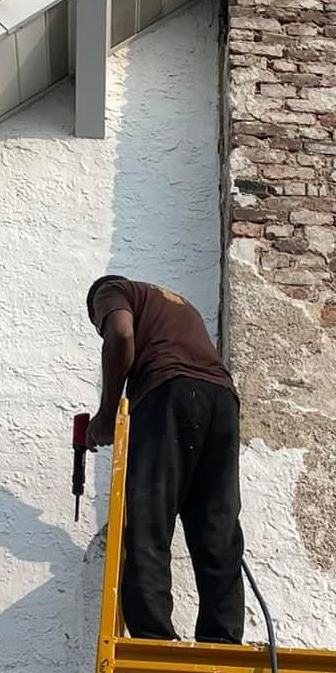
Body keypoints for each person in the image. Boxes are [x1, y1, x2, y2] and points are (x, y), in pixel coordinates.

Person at [84, 275, 245, 644]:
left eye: (98, 321)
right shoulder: (178, 305)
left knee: (149, 516)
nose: (101, 323)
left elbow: (122, 334)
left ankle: (153, 635)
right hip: (222, 399)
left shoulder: (111, 290)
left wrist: (107, 415)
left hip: (168, 392)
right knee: (216, 525)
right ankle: (223, 639)